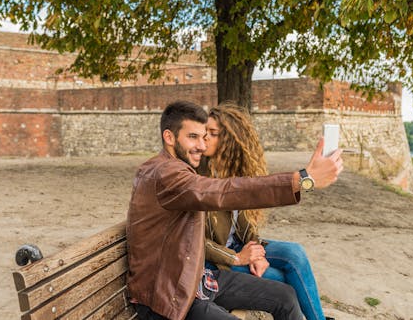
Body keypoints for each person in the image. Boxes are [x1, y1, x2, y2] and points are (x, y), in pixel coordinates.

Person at [127, 100, 343, 320]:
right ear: (170, 138)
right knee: (277, 282)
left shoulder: (181, 170)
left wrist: (255, 249)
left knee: (285, 296)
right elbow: (221, 193)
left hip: (198, 279)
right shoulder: (165, 174)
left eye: (204, 137)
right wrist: (302, 180)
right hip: (171, 296)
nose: (202, 145)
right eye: (193, 137)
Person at [201, 103, 334, 320]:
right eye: (204, 132)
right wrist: (238, 257)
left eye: (213, 133)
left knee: (295, 254)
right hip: (217, 261)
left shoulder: (233, 173)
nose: (204, 137)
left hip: (237, 247)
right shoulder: (199, 177)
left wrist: (256, 251)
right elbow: (196, 242)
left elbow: (244, 226)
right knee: (281, 279)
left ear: (230, 142)